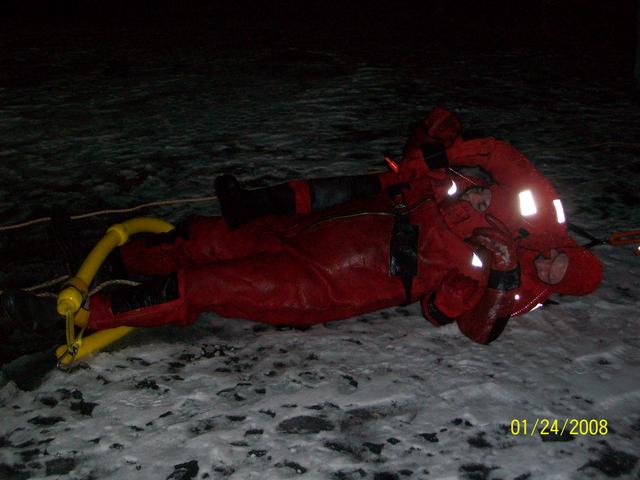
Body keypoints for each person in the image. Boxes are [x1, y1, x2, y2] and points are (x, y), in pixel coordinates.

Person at [0, 108, 602, 365]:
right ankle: (101, 259)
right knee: (204, 237)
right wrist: (447, 155)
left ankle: (74, 320)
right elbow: (498, 155)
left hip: (327, 284)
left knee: (205, 284)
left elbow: (457, 321)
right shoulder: (541, 212)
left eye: (552, 274)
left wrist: (494, 275)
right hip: (329, 229)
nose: (546, 263)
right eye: (557, 257)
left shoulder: (507, 290)